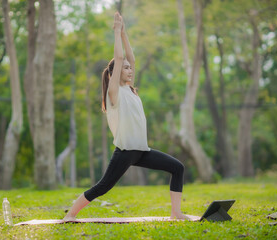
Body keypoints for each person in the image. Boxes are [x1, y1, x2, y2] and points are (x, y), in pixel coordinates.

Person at [63, 12, 190, 222]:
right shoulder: (114, 92)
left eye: (131, 69)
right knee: (103, 187)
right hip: (125, 151)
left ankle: (176, 212)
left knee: (177, 167)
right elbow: (121, 58)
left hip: (141, 151)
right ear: (114, 73)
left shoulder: (130, 89)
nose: (130, 70)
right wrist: (116, 32)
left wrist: (124, 33)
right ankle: (70, 214)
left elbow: (130, 58)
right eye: (125, 69)